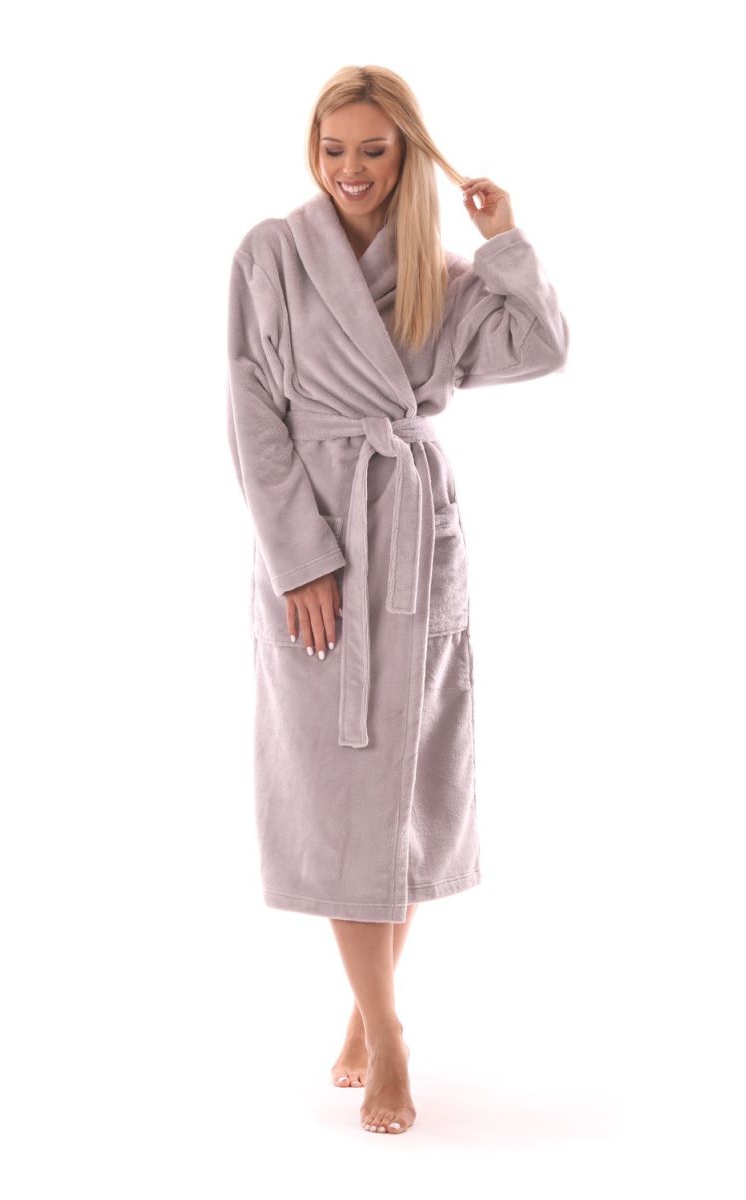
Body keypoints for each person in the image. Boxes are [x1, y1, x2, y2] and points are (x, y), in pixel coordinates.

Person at [226, 64, 569, 1136]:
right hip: (319, 545)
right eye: (333, 149)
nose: (351, 169)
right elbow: (251, 407)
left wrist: (506, 241)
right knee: (339, 793)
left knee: (402, 792)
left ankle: (365, 1015)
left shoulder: (444, 275)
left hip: (417, 540)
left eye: (373, 150)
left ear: (408, 153)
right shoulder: (271, 254)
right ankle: (388, 1033)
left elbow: (543, 348)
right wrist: (301, 561)